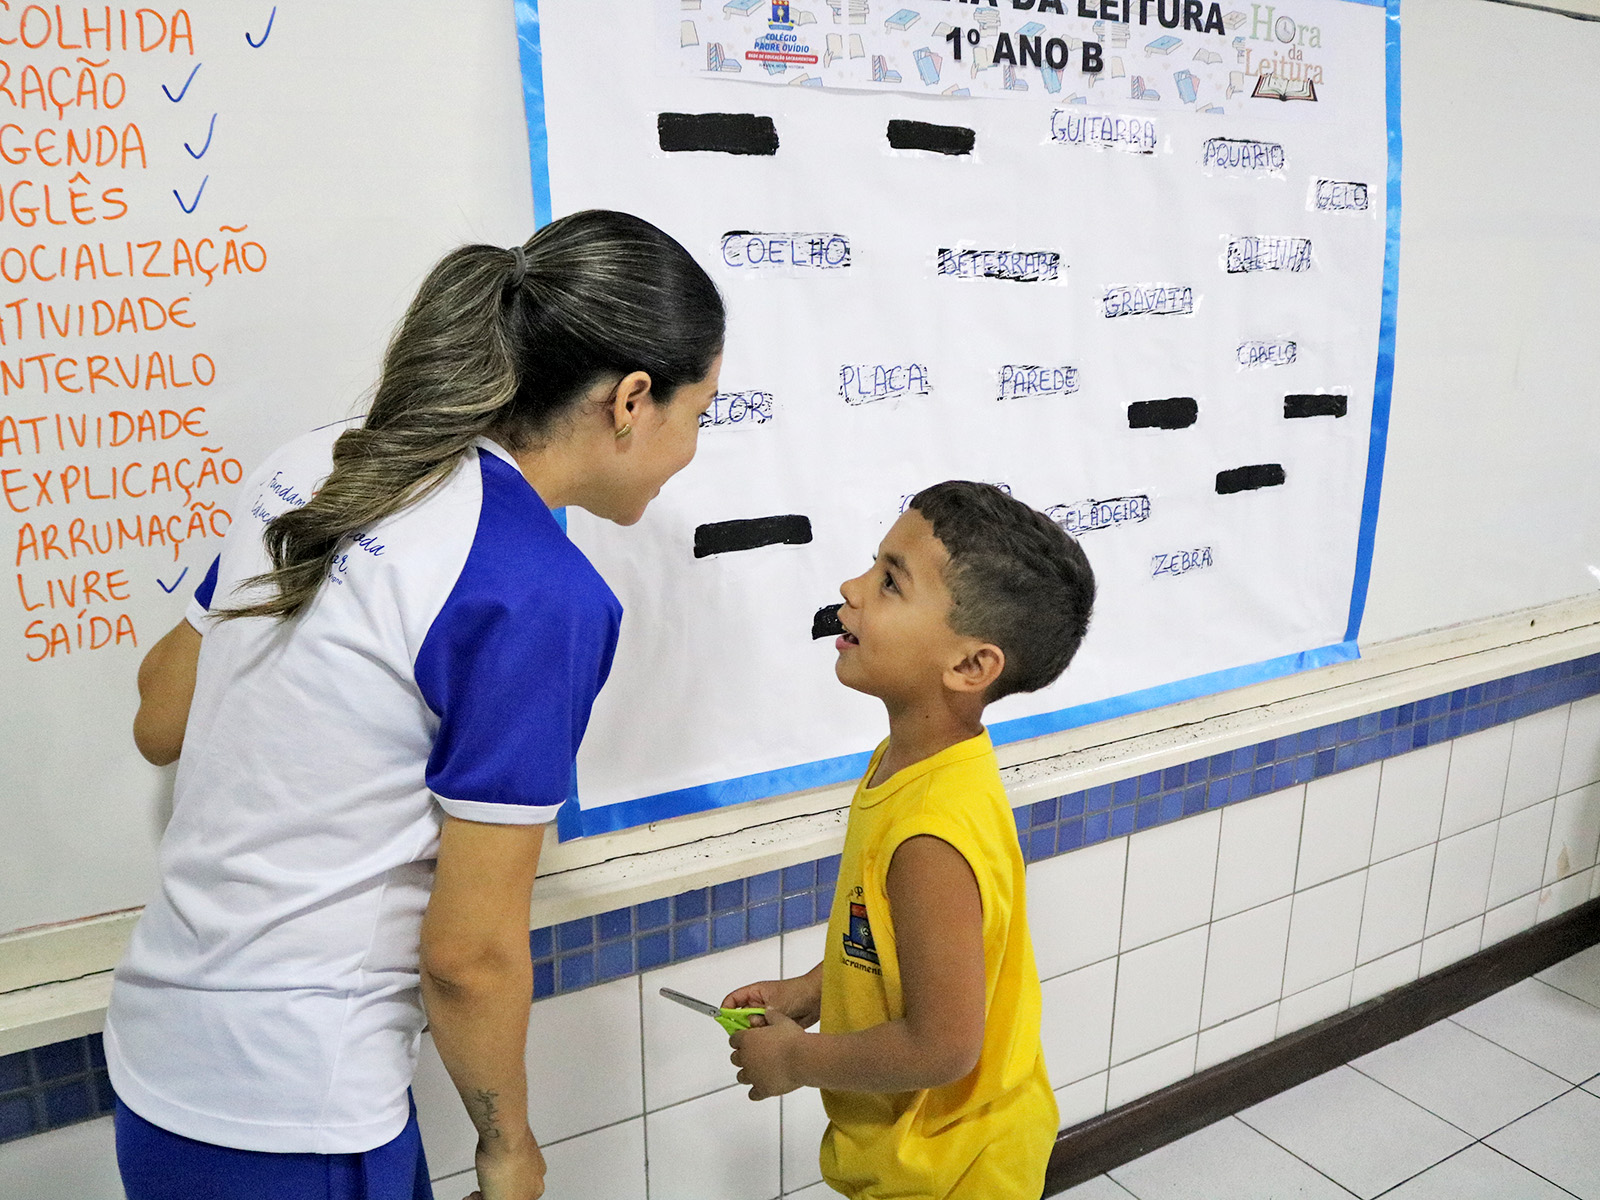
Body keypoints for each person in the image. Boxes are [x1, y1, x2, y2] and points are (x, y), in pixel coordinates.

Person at [110, 209, 726, 1200]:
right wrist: (507, 1147)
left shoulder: (317, 463)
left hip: (156, 1065)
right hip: (295, 1112)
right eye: (701, 414)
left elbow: (158, 715)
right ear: (631, 400)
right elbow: (469, 956)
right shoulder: (536, 590)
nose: (692, 447)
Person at [723, 481, 1096, 1200]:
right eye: (873, 565)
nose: (851, 588)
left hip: (952, 1173)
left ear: (970, 666)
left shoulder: (931, 835)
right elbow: (882, 944)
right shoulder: (903, 764)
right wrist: (810, 993)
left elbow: (944, 1045)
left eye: (890, 582)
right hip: (920, 1160)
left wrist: (796, 1061)